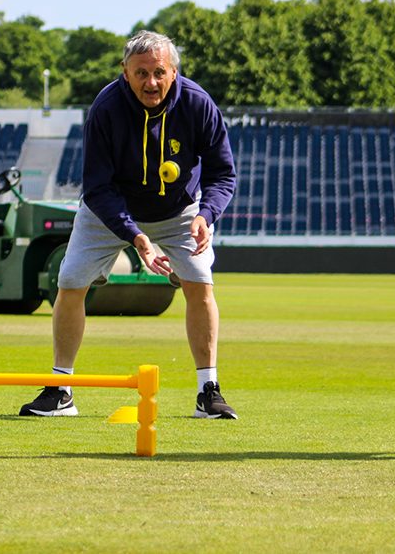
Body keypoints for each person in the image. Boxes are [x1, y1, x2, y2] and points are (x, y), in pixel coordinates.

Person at [20, 30, 239, 419]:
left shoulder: (198, 104)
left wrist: (207, 217)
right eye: (140, 73)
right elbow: (98, 187)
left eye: (159, 72)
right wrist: (134, 236)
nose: (150, 82)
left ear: (173, 72)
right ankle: (61, 389)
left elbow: (223, 174)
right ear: (124, 72)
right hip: (109, 210)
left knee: (201, 283)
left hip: (182, 211)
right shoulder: (105, 108)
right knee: (70, 283)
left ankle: (209, 391)